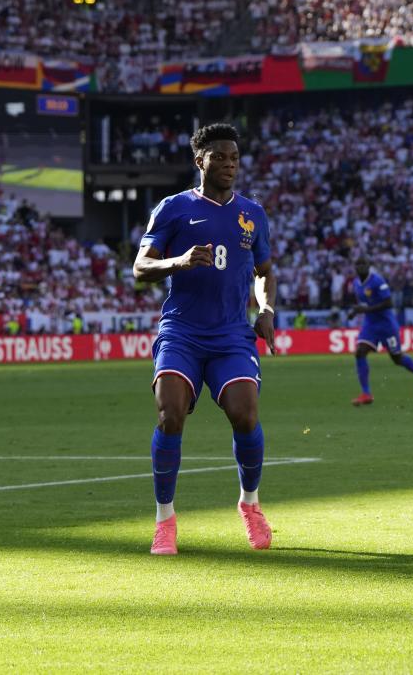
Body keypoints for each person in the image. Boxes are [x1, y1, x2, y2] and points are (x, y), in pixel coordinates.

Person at [133, 123, 277, 557]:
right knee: (170, 414)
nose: (230, 164)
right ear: (201, 161)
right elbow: (141, 267)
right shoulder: (174, 209)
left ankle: (250, 504)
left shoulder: (252, 213)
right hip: (182, 331)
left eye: (235, 157)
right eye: (220, 157)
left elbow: (265, 271)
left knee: (245, 414)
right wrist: (176, 261)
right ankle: (165, 521)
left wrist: (266, 308)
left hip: (232, 334)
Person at [347, 258, 413, 406]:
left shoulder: (377, 280)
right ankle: (366, 393)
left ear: (368, 266)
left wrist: (365, 310)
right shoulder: (356, 284)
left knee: (397, 358)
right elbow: (366, 302)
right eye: (357, 264)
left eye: (363, 264)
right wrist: (355, 312)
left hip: (386, 325)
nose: (360, 267)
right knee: (360, 352)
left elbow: (388, 303)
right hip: (370, 324)